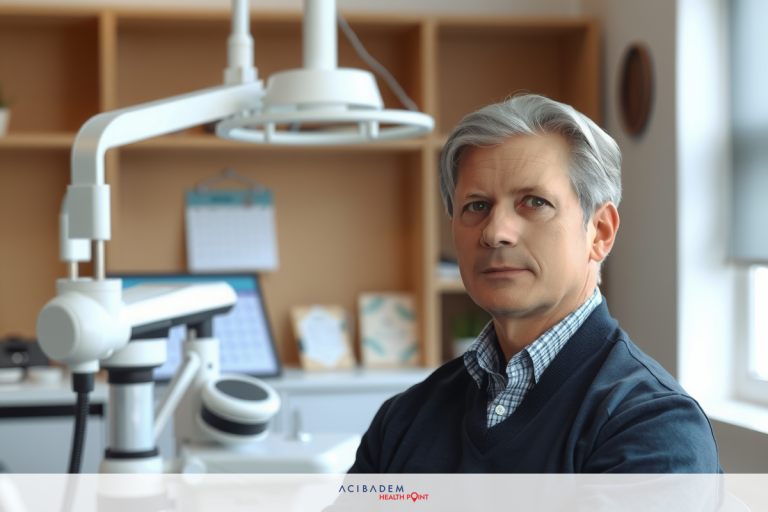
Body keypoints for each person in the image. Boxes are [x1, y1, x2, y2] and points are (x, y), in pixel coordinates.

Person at [348, 94, 721, 473]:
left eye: (535, 202)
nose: (495, 233)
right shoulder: (402, 420)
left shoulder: (653, 425)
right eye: (476, 206)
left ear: (600, 232)